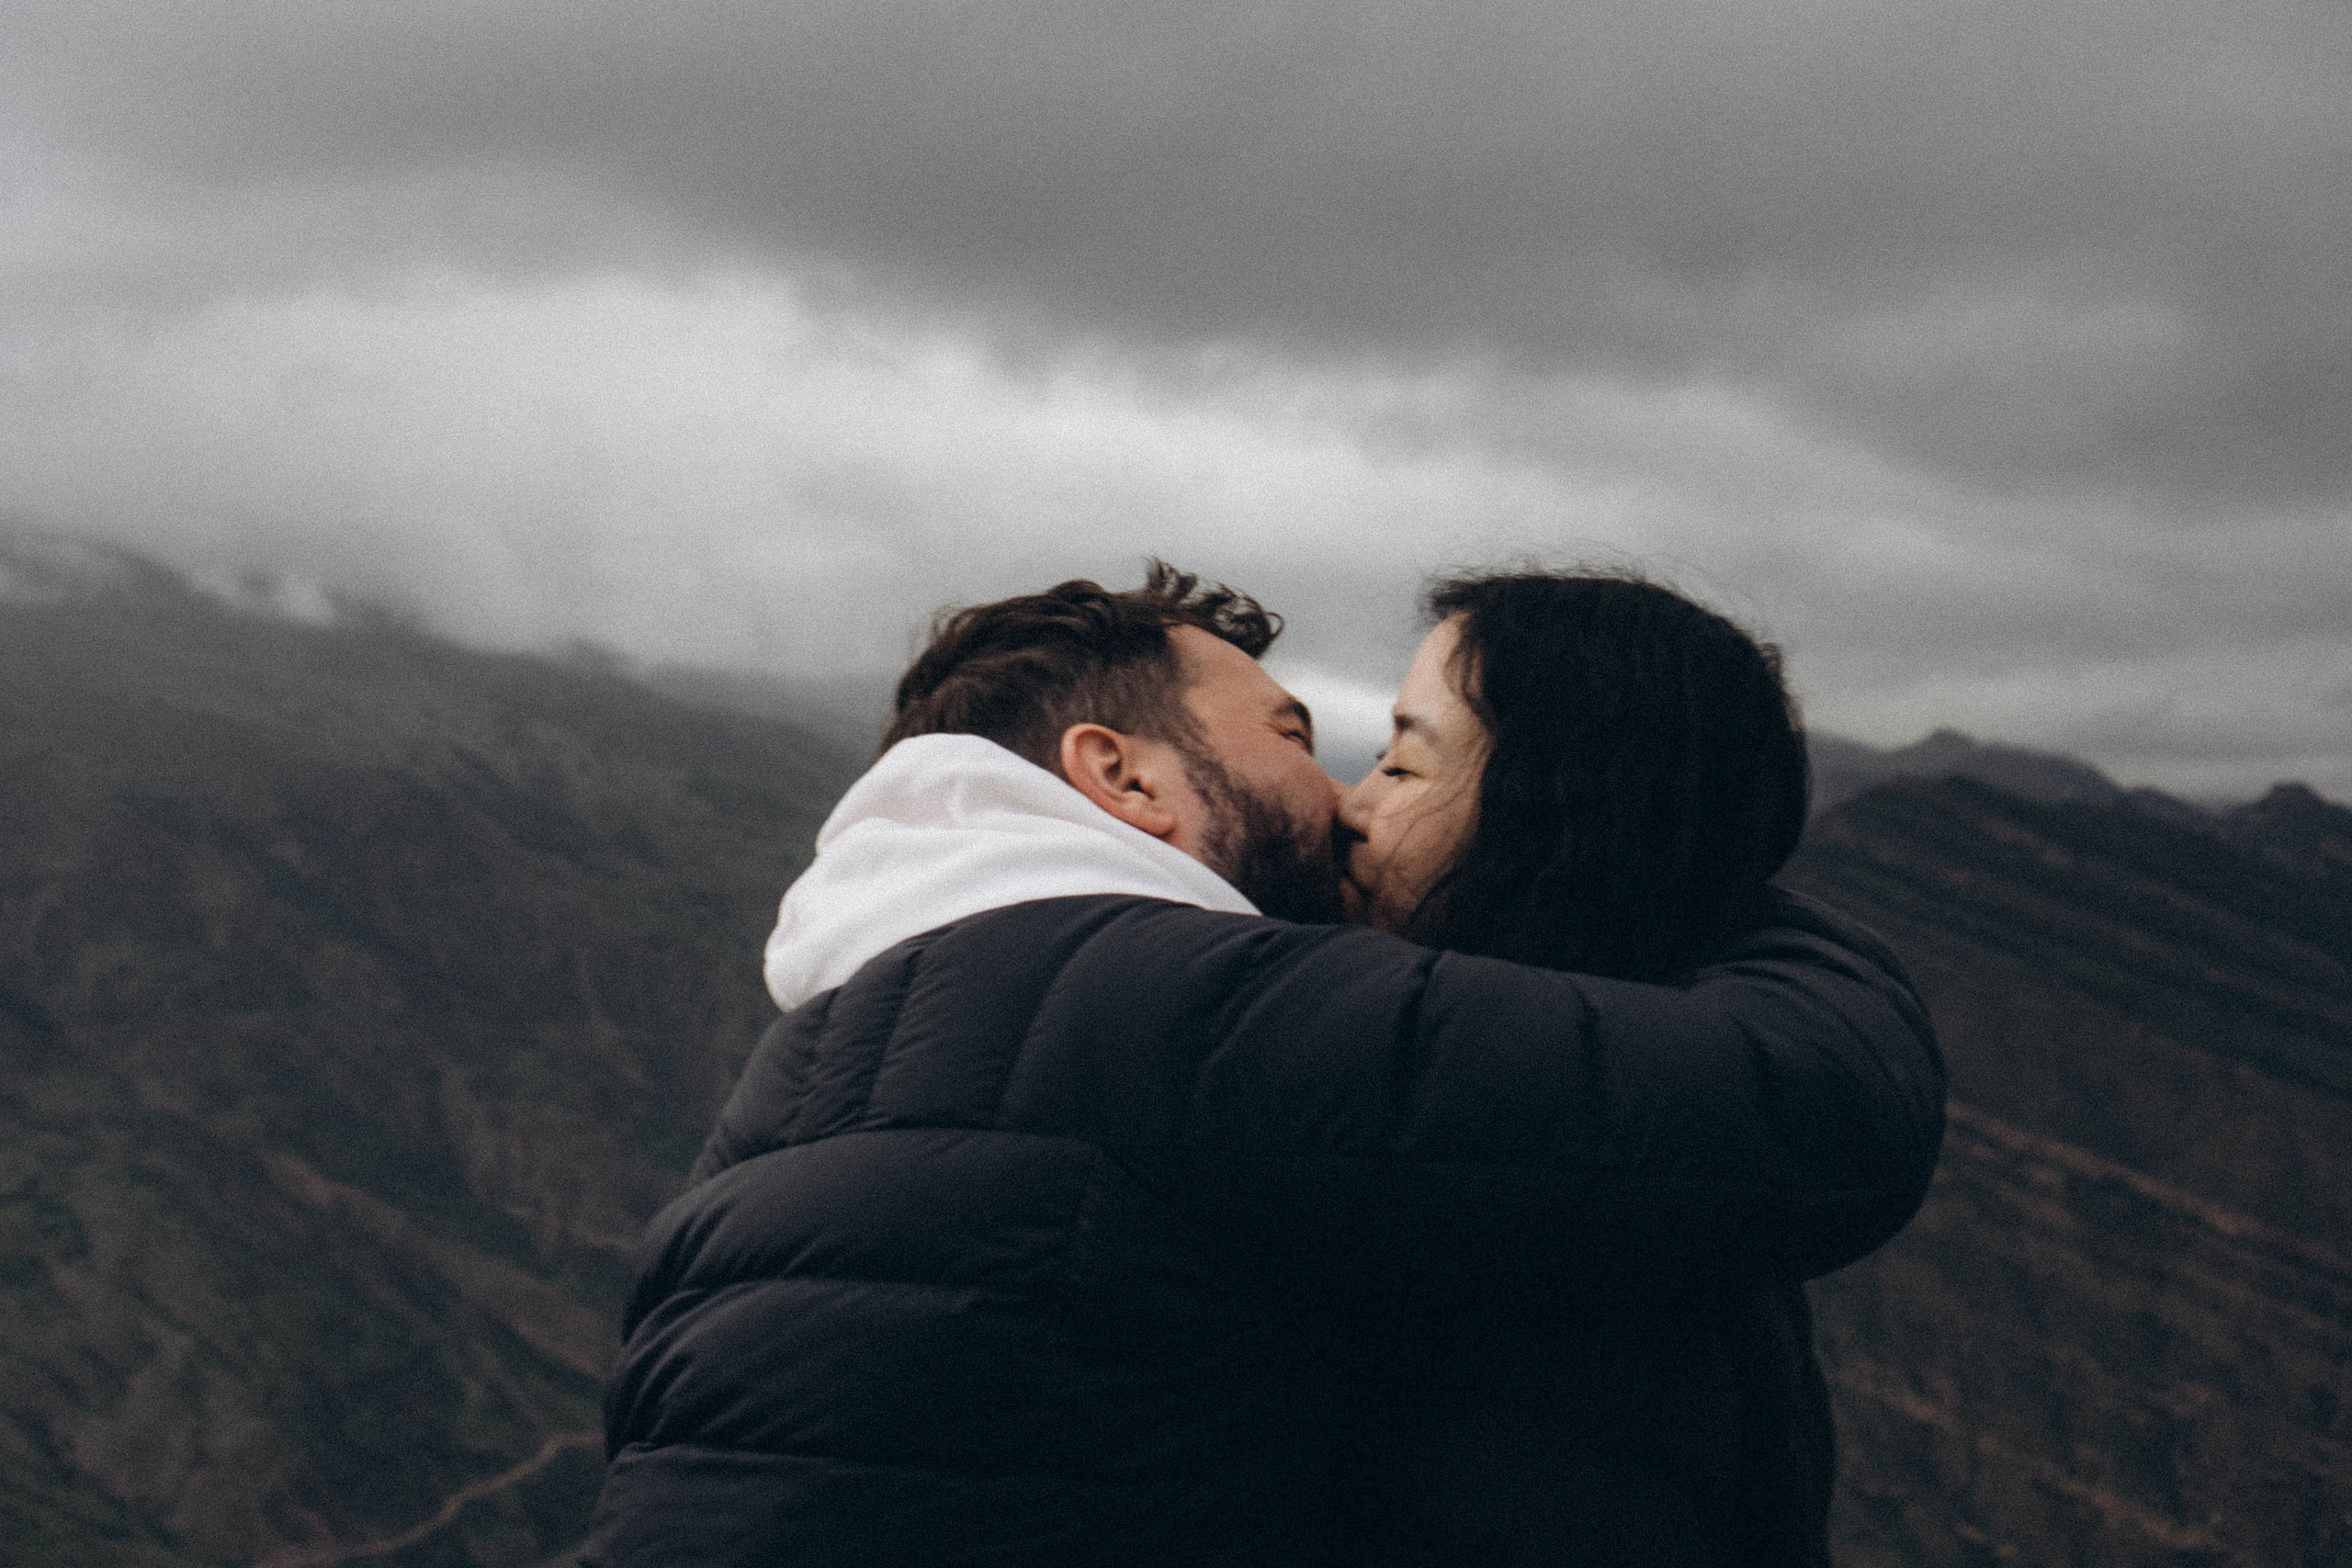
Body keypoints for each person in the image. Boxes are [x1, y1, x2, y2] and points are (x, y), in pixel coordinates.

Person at [581, 564, 1941, 1567]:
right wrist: (1690, 849)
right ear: (1122, 776)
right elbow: (1810, 1110)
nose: (1343, 796)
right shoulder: (1178, 1002)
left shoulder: (820, 1052)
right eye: (1297, 735)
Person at [1331, 570, 1844, 1566]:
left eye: (1403, 766)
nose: (1349, 804)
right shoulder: (1635, 1147)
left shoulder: (1531, 1253)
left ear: (1550, 819)